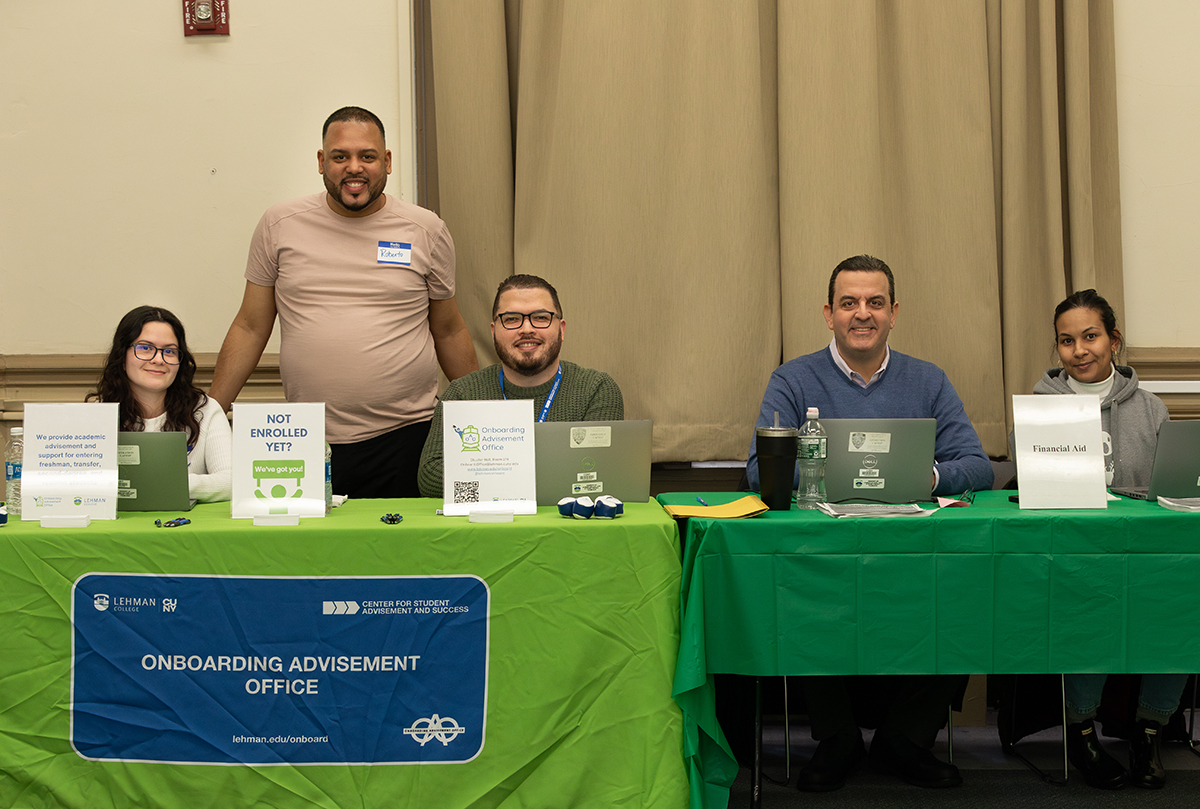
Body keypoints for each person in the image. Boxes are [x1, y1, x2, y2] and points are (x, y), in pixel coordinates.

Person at [745, 255, 993, 792]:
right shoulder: (792, 379)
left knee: (971, 588)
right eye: (850, 303)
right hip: (824, 557)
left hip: (914, 555)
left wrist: (921, 475)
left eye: (875, 303)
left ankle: (906, 738)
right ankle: (837, 739)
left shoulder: (928, 380)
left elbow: (976, 467)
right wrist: (817, 472)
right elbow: (756, 471)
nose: (863, 314)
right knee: (797, 592)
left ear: (894, 312)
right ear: (829, 314)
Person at [209, 106, 478, 499]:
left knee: (401, 557)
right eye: (340, 156)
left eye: (367, 156)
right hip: (305, 440)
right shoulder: (280, 225)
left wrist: (485, 415)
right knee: (314, 558)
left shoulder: (426, 230)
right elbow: (251, 327)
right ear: (322, 162)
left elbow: (449, 329)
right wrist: (210, 414)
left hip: (406, 437)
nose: (355, 168)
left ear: (386, 161)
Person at [1032, 288, 1180, 790]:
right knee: (1086, 603)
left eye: (1091, 336)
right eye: (1067, 341)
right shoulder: (1039, 405)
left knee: (1177, 606)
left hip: (1143, 550)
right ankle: (1081, 730)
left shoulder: (1152, 408)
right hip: (1075, 549)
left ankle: (1149, 728)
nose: (1080, 350)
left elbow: (1168, 489)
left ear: (1114, 340)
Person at [417, 274, 623, 497]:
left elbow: (597, 474)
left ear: (561, 330)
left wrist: (490, 475)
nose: (526, 329)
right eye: (512, 319)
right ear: (494, 331)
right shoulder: (463, 394)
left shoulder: (596, 390)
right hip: (487, 528)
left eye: (541, 317)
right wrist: (540, 477)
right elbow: (431, 478)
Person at [88, 306, 231, 502]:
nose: (158, 359)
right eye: (145, 348)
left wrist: (164, 484)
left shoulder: (205, 410)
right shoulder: (96, 414)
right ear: (122, 357)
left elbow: (231, 481)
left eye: (169, 351)